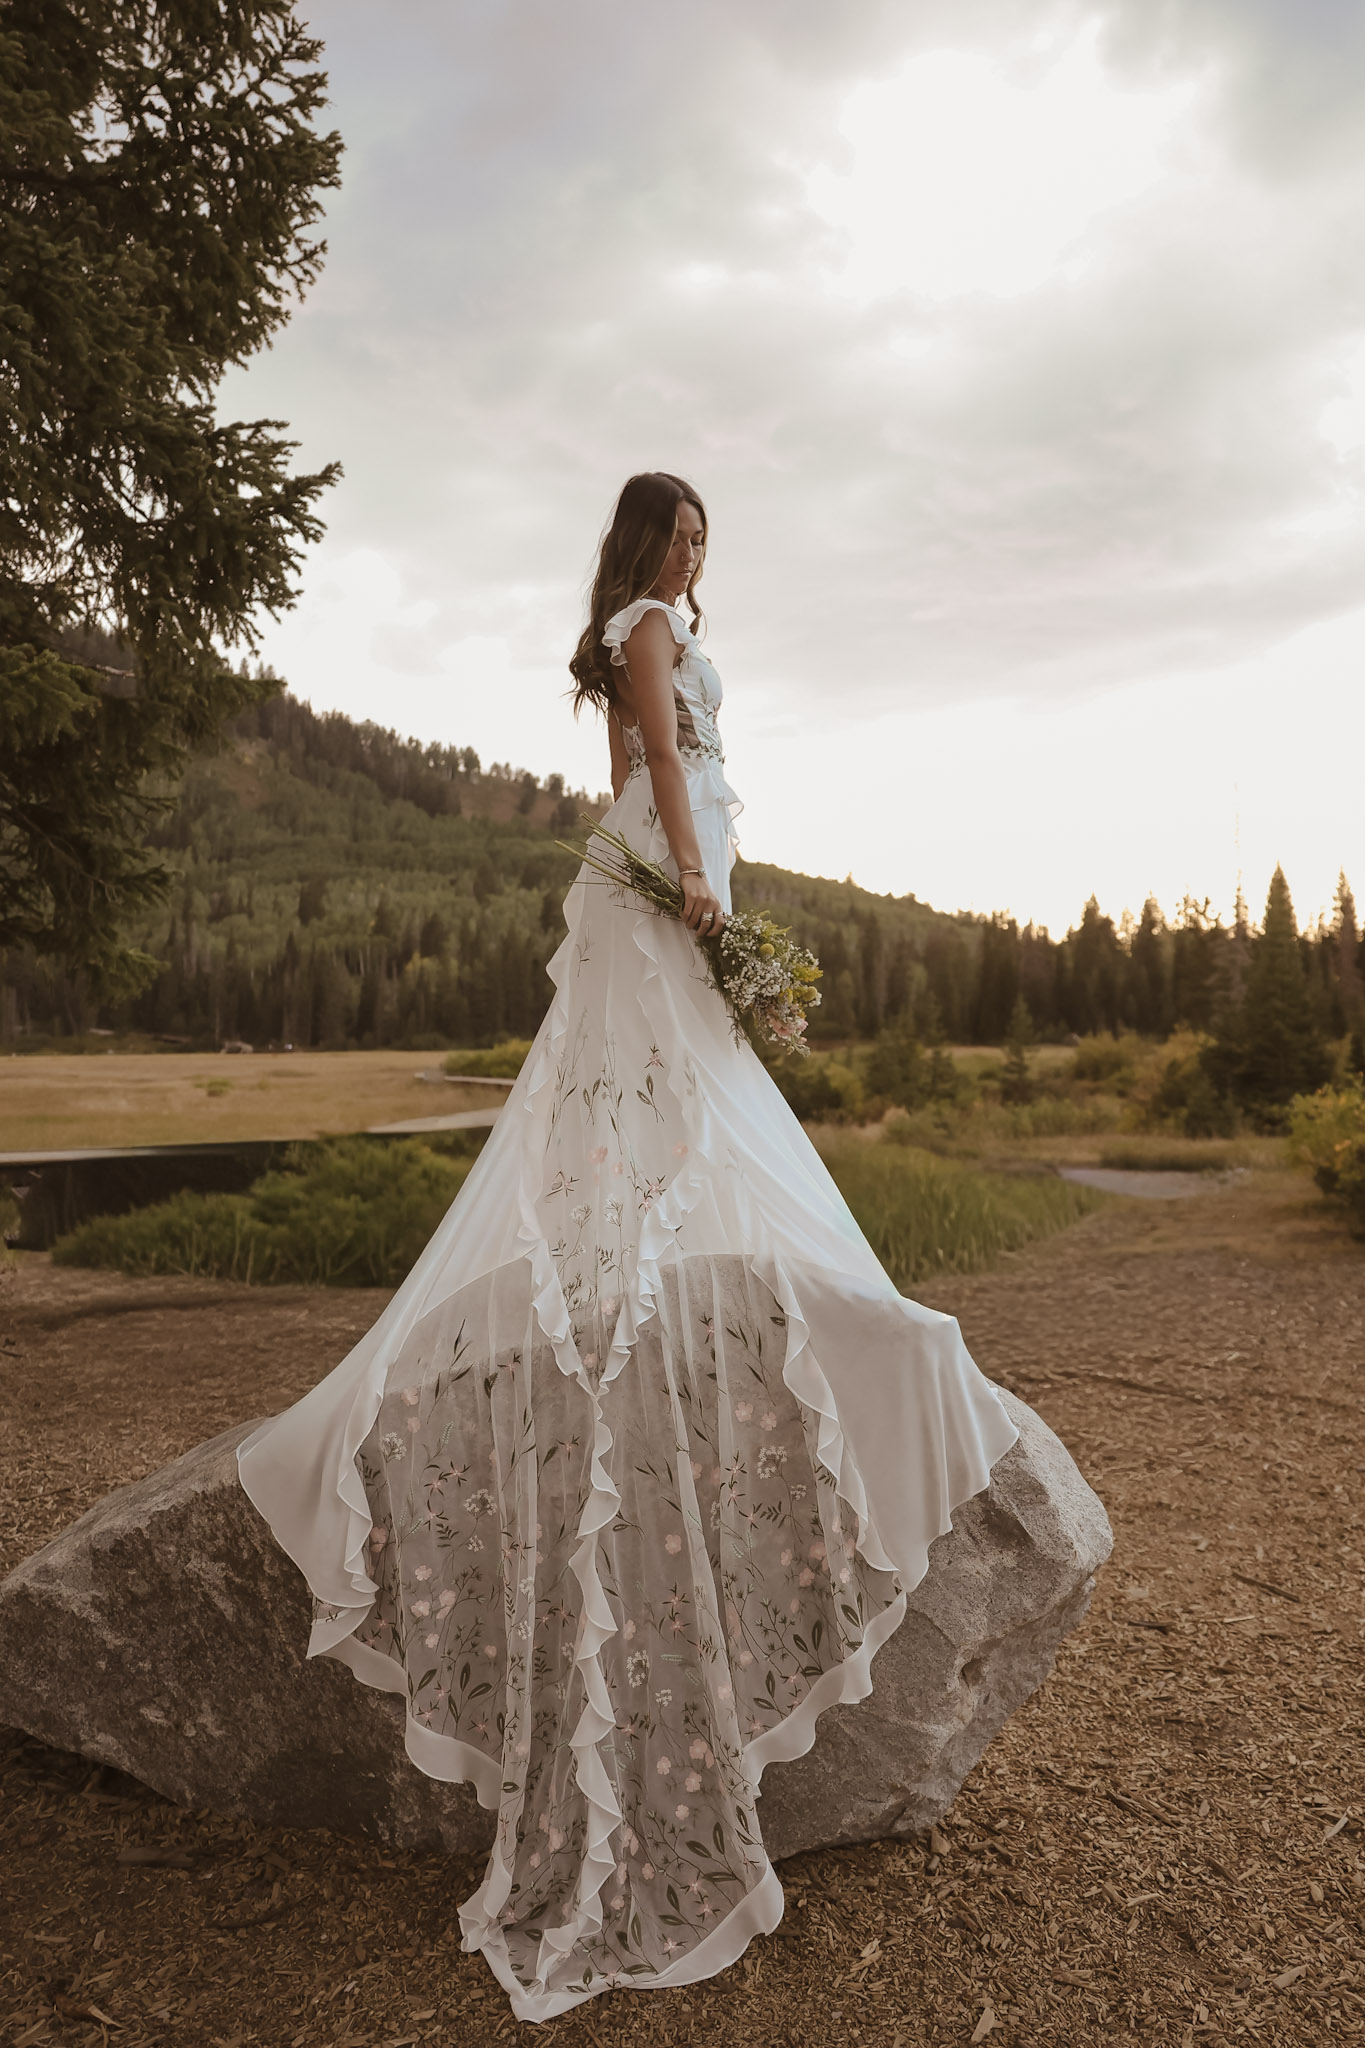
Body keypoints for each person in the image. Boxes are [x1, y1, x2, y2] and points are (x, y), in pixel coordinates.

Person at [237, 471, 1020, 2023]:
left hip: (664, 861)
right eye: (681, 530)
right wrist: (697, 892)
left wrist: (696, 870)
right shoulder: (647, 627)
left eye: (707, 533)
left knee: (671, 1089)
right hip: (662, 868)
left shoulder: (644, 625)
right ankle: (622, 1269)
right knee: (659, 1081)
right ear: (645, 546)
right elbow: (656, 753)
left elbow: (655, 754)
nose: (695, 552)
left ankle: (629, 1259)